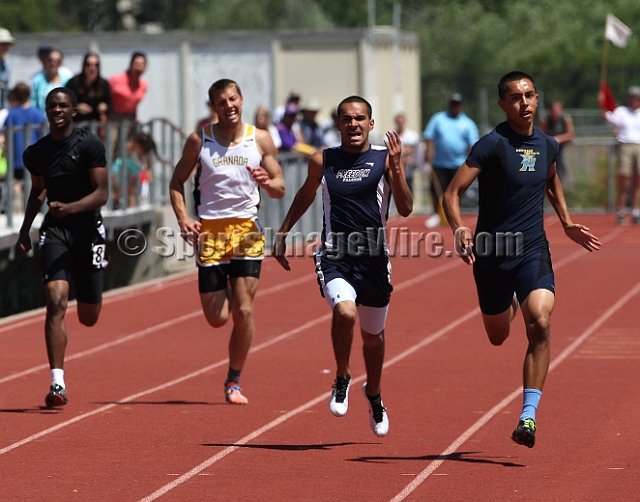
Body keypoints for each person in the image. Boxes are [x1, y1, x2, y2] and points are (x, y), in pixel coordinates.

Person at [443, 71, 601, 448]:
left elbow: (550, 179)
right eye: (516, 97)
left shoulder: (548, 144)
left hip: (532, 249)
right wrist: (459, 228)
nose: (525, 103)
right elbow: (452, 192)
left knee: (541, 323)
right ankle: (511, 301)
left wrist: (565, 221)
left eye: (530, 95)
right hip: (492, 255)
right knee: (498, 337)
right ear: (503, 104)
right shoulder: (491, 145)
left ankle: (527, 417)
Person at [273, 96, 413, 437]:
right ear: (337, 124)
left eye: (359, 118)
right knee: (345, 313)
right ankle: (342, 375)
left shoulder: (383, 159)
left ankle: (374, 393)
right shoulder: (324, 159)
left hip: (375, 261)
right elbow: (306, 194)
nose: (353, 124)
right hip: (336, 255)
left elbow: (407, 208)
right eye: (346, 119)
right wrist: (282, 233)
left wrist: (396, 168)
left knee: (373, 339)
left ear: (370, 124)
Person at [169, 78, 285, 405]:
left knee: (244, 313)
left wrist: (268, 180)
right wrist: (182, 219)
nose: (229, 106)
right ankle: (233, 289)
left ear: (241, 99)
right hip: (211, 233)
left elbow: (280, 187)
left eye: (233, 99)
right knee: (218, 318)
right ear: (214, 107)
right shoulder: (199, 141)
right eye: (222, 102)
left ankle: (234, 381)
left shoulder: (260, 139)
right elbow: (176, 182)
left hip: (247, 230)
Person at [15, 87, 108, 408]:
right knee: (55, 301)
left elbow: (102, 194)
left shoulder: (89, 145)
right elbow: (38, 191)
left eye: (63, 106)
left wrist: (70, 208)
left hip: (88, 231)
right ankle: (57, 383)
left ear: (72, 111)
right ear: (46, 110)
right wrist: (25, 229)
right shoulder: (36, 153)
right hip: (55, 231)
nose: (57, 110)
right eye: (52, 105)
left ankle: (88, 285)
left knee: (89, 316)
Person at [423, 93, 479, 228]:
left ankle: (454, 215)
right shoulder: (438, 119)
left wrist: (472, 162)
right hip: (440, 163)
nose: (455, 107)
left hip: (459, 164)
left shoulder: (468, 123)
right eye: (453, 104)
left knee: (456, 191)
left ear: (461, 106)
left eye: (457, 104)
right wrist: (428, 153)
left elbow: (472, 144)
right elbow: (429, 137)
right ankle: (436, 214)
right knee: (436, 190)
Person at [3, 83, 47, 212]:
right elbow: (43, 135)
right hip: (33, 159)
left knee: (16, 184)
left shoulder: (11, 114)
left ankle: (18, 211)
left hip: (15, 158)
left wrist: (5, 152)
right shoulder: (37, 114)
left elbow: (6, 136)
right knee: (33, 185)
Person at [603, 86, 640, 225]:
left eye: (636, 98)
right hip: (625, 145)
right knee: (624, 180)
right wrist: (602, 104)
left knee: (637, 180)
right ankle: (621, 210)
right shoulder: (622, 112)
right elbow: (607, 117)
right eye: (632, 97)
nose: (634, 100)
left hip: (639, 146)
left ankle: (636, 211)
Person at [65, 53, 112, 130]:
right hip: (77, 126)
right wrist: (77, 107)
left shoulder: (103, 84)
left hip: (97, 127)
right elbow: (65, 103)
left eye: (96, 65)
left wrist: (105, 107)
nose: (92, 68)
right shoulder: (74, 82)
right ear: (84, 66)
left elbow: (110, 104)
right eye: (88, 64)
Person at [111, 131, 156, 208]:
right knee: (120, 191)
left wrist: (148, 175)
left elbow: (148, 167)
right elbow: (125, 147)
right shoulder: (132, 149)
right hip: (119, 170)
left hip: (131, 175)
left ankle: (122, 205)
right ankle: (112, 202)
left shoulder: (146, 155)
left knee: (130, 192)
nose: (133, 143)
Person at [108, 52, 148, 123]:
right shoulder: (116, 80)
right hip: (113, 118)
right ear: (130, 64)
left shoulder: (143, 85)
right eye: (136, 64)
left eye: (142, 65)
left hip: (130, 119)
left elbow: (134, 103)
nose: (139, 67)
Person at [539, 100, 574, 181]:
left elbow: (570, 134)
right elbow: (542, 135)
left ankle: (564, 181)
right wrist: (552, 140)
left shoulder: (565, 119)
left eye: (558, 109)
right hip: (549, 148)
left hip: (561, 147)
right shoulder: (546, 120)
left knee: (561, 168)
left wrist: (558, 139)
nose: (556, 112)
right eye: (554, 109)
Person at [30, 49, 71, 115]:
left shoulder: (67, 80)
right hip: (43, 120)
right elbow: (33, 102)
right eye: (50, 60)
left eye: (56, 61)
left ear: (60, 63)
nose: (53, 63)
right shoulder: (37, 80)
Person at [394, 112, 421, 192]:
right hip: (395, 169)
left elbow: (415, 151)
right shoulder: (391, 136)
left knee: (408, 190)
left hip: (408, 170)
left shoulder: (412, 136)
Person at [0, 28, 16, 109]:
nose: (6, 46)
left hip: (4, 108)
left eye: (8, 44)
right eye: (3, 43)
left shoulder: (6, 65)